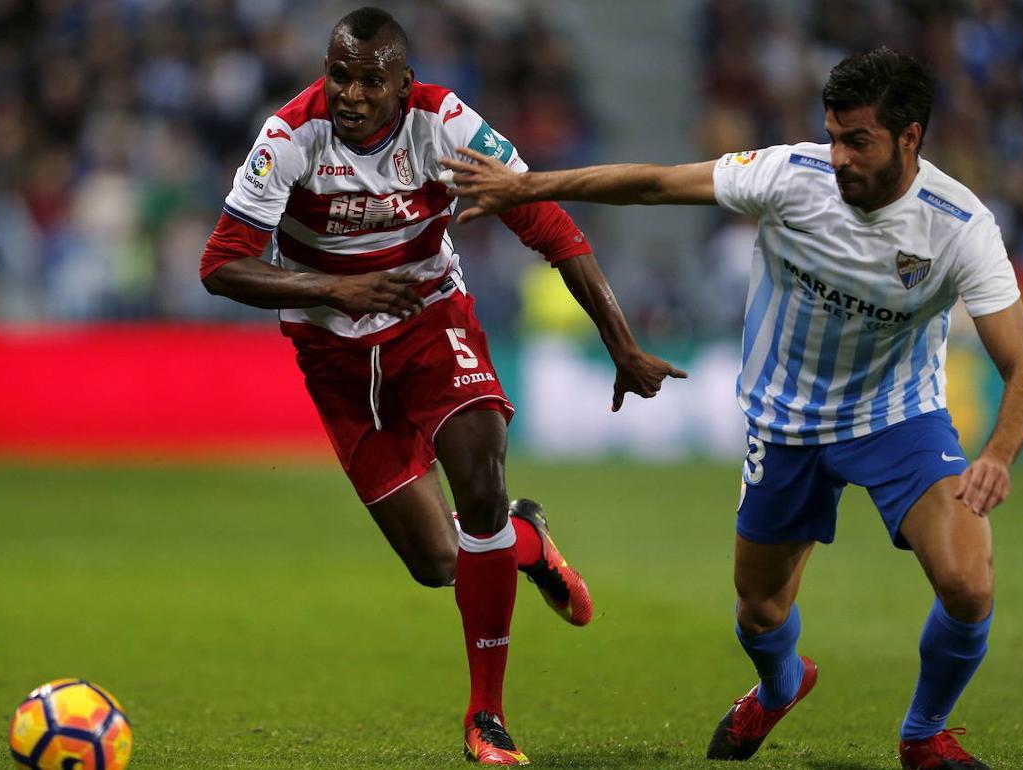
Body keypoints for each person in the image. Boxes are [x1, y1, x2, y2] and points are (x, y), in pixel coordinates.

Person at [442, 47, 1023, 770]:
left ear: (910, 138)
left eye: (860, 141)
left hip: (897, 419)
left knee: (969, 583)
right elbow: (658, 184)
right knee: (759, 612)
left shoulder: (959, 226)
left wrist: (999, 455)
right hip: (785, 420)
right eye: (833, 135)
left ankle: (924, 735)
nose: (841, 157)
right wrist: (526, 186)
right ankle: (779, 685)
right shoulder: (793, 176)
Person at [198, 7, 684, 766]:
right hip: (334, 355)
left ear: (402, 84)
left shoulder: (446, 124)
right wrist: (337, 290)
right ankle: (526, 542)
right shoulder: (289, 136)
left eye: (368, 80)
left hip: (431, 320)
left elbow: (548, 222)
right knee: (440, 562)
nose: (349, 94)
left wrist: (621, 342)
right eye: (338, 75)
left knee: (479, 479)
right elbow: (221, 264)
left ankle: (486, 718)